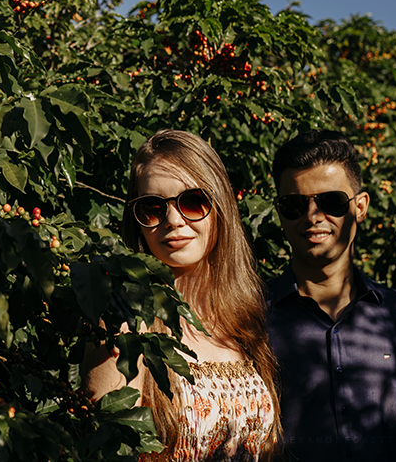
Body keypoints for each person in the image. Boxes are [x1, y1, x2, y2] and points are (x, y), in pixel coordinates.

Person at [265, 129, 396, 461]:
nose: (313, 217)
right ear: (280, 212)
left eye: (331, 202)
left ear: (360, 207)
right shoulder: (251, 316)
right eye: (295, 205)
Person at [82, 129, 280, 461]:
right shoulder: (125, 320)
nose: (173, 220)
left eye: (192, 201)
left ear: (220, 207)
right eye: (152, 207)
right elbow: (107, 450)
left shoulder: (245, 318)